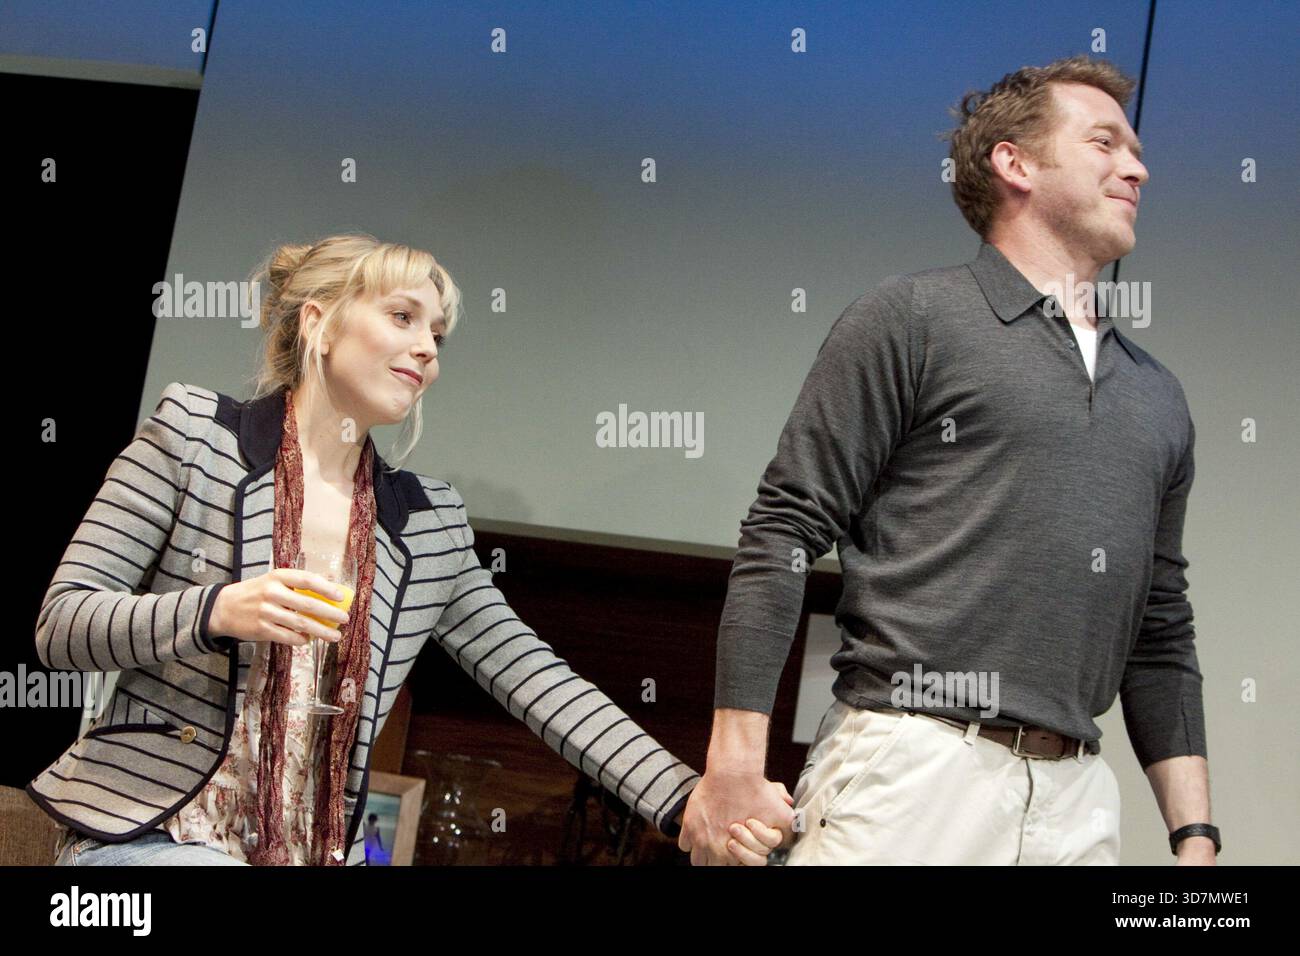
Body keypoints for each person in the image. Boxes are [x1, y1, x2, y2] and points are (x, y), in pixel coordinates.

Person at [31, 233, 791, 866]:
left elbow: (538, 680)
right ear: (319, 324)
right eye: (403, 317)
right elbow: (61, 626)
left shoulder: (425, 524)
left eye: (437, 335)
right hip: (148, 834)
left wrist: (688, 798)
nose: (426, 349)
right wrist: (217, 608)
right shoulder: (195, 437)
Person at [681, 55, 1220, 866]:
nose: (1137, 167)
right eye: (1106, 142)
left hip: (1078, 801)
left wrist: (1195, 837)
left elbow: (1160, 624)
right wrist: (733, 769)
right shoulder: (911, 319)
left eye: (1135, 149)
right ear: (1016, 163)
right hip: (911, 771)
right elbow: (784, 530)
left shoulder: (1159, 397)